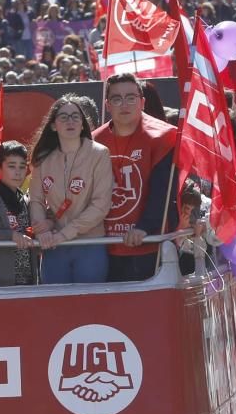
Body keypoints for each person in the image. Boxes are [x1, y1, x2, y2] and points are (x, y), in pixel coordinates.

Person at [93, 73, 177, 282]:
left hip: (148, 244)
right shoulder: (93, 141)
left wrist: (144, 227)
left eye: (131, 97)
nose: (124, 104)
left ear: (142, 102)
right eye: (116, 98)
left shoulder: (163, 137)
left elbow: (163, 191)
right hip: (102, 246)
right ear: (107, 104)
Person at [29, 95, 113, 283]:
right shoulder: (43, 159)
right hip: (54, 247)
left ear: (83, 124)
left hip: (90, 244)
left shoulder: (99, 153)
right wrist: (42, 230)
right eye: (64, 117)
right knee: (55, 307)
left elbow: (100, 205)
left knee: (88, 306)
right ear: (53, 125)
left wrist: (64, 234)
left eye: (76, 116)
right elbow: (35, 200)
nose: (71, 121)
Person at [0, 141, 38, 286]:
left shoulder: (26, 199)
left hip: (27, 281)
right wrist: (10, 236)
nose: (18, 172)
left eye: (22, 167)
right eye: (11, 166)